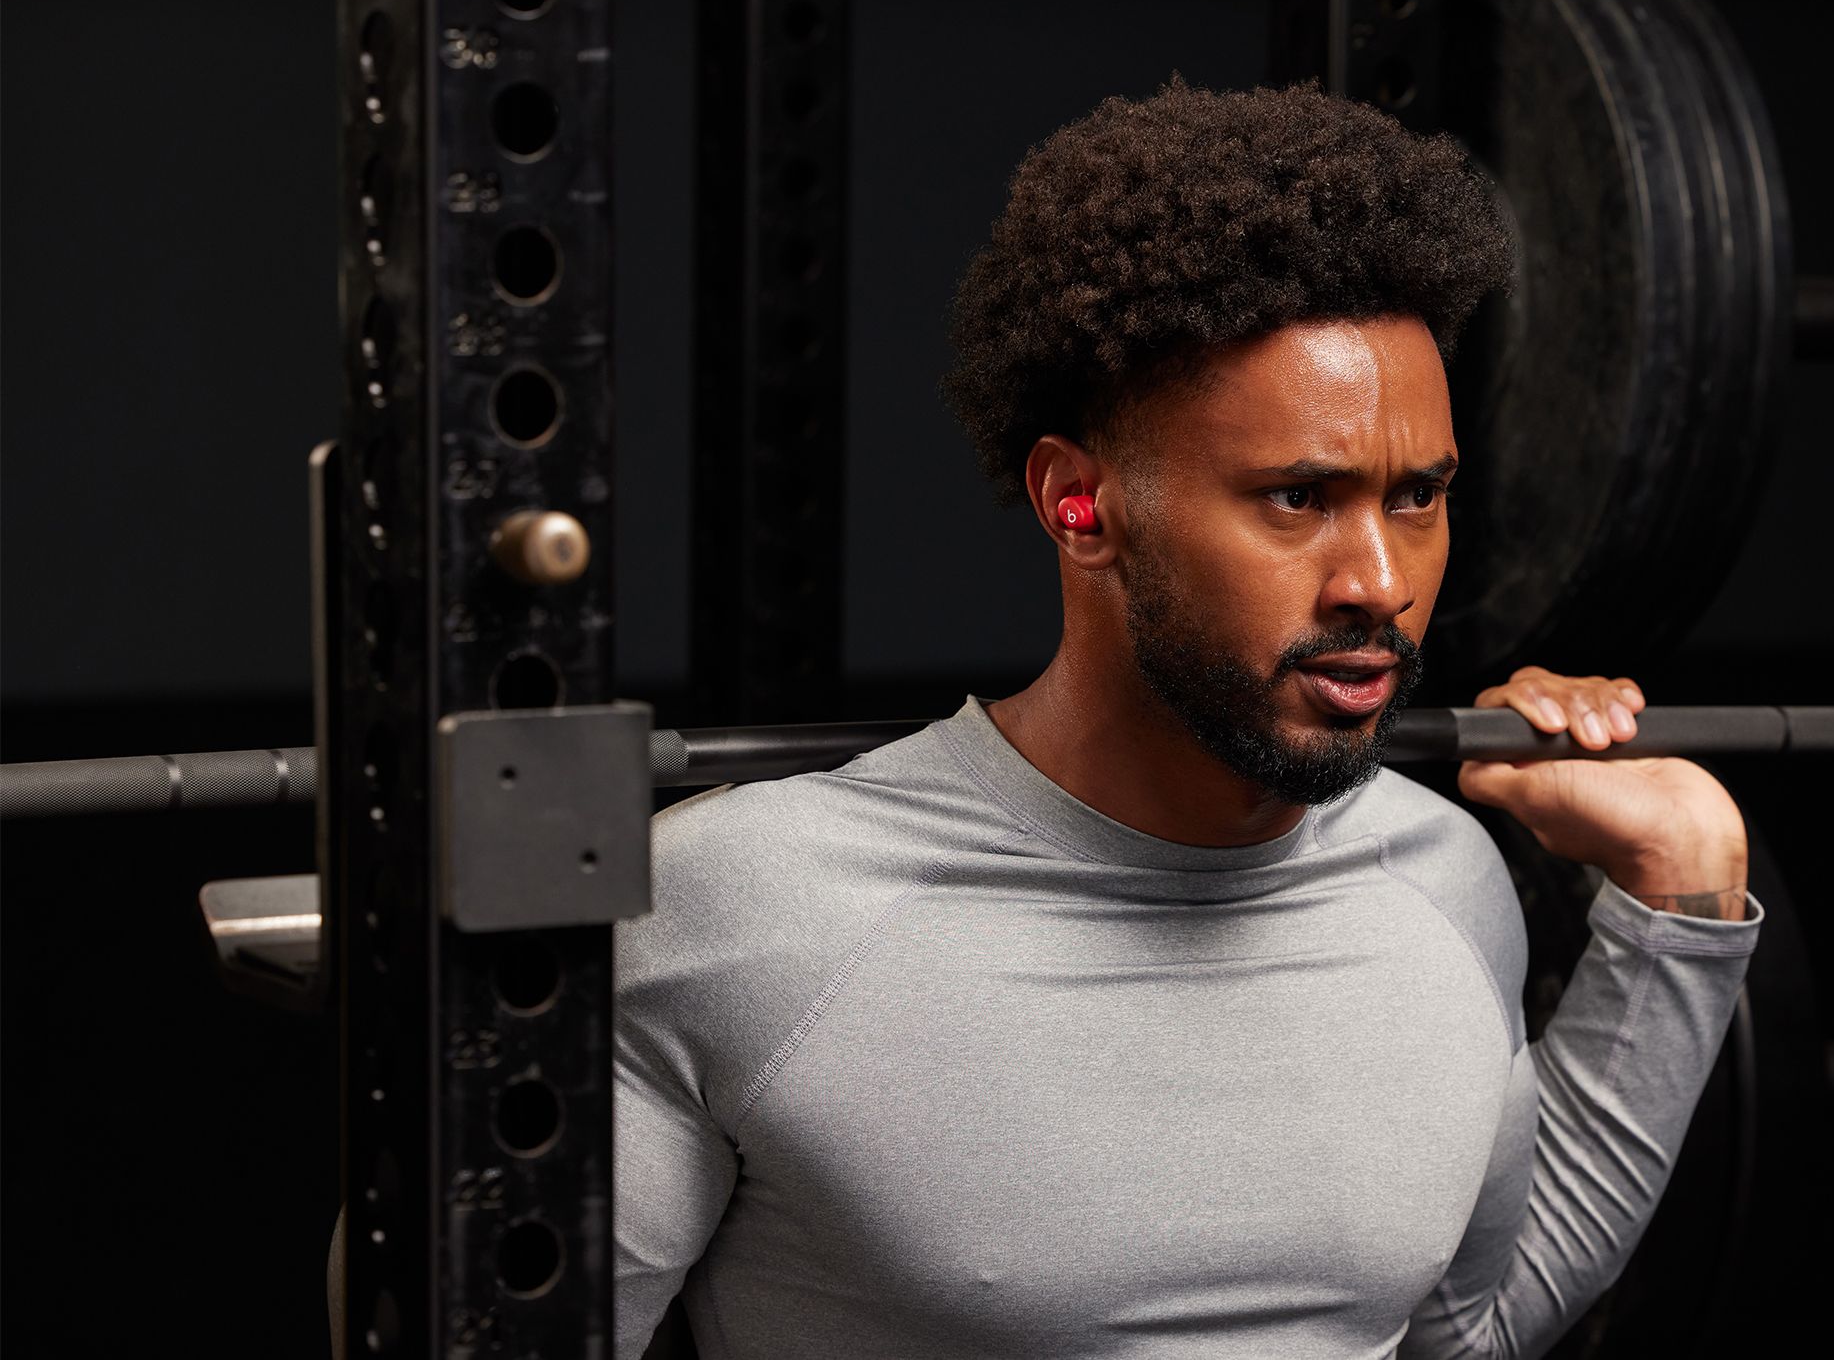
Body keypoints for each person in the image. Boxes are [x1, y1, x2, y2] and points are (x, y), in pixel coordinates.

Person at [619, 79, 1759, 1357]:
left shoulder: (1443, 880)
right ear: (1081, 505)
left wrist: (1682, 895)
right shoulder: (745, 910)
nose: (1380, 582)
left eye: (1417, 496)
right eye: (1296, 496)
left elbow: (1454, 1335)